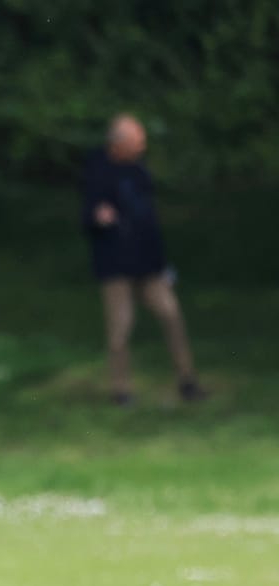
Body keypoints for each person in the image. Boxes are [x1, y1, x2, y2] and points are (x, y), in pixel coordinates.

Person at [79, 114, 205, 405]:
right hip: (116, 266)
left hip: (148, 265)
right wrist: (98, 218)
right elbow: (87, 218)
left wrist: (162, 264)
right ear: (118, 144)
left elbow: (149, 220)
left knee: (171, 315)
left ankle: (187, 381)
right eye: (138, 142)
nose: (142, 147)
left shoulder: (139, 172)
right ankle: (121, 390)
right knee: (120, 328)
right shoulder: (97, 172)